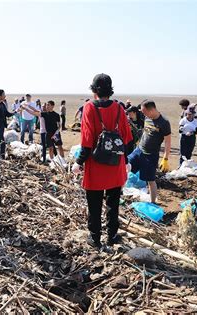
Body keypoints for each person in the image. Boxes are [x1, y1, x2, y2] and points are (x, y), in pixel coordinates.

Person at [71, 73, 133, 249]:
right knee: (113, 203)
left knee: (94, 204)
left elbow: (87, 140)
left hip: (96, 165)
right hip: (116, 163)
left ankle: (95, 238)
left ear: (94, 90)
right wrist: (126, 159)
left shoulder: (89, 108)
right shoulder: (120, 108)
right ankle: (112, 236)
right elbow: (126, 137)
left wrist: (79, 162)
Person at [128, 100, 171, 204]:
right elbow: (145, 132)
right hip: (139, 151)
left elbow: (168, 141)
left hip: (150, 155)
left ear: (151, 110)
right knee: (125, 167)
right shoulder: (147, 118)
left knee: (150, 180)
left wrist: (165, 158)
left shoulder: (164, 122)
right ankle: (117, 193)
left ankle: (153, 203)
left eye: (144, 112)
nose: (142, 114)